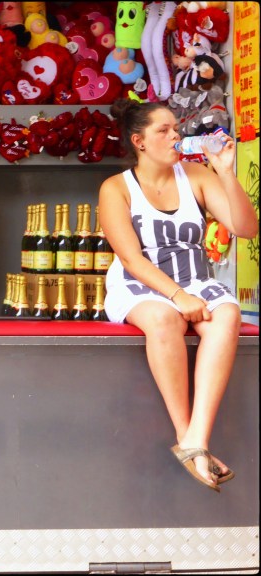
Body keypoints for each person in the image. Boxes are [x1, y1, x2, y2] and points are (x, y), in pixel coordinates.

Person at [98, 99, 259, 492]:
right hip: (142, 284)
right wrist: (176, 296)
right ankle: (184, 432)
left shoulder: (197, 175)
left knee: (227, 314)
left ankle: (195, 440)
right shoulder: (115, 188)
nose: (176, 136)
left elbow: (246, 227)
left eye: (176, 128)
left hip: (196, 280)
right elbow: (132, 259)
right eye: (164, 130)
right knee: (163, 318)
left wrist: (224, 173)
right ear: (139, 141)